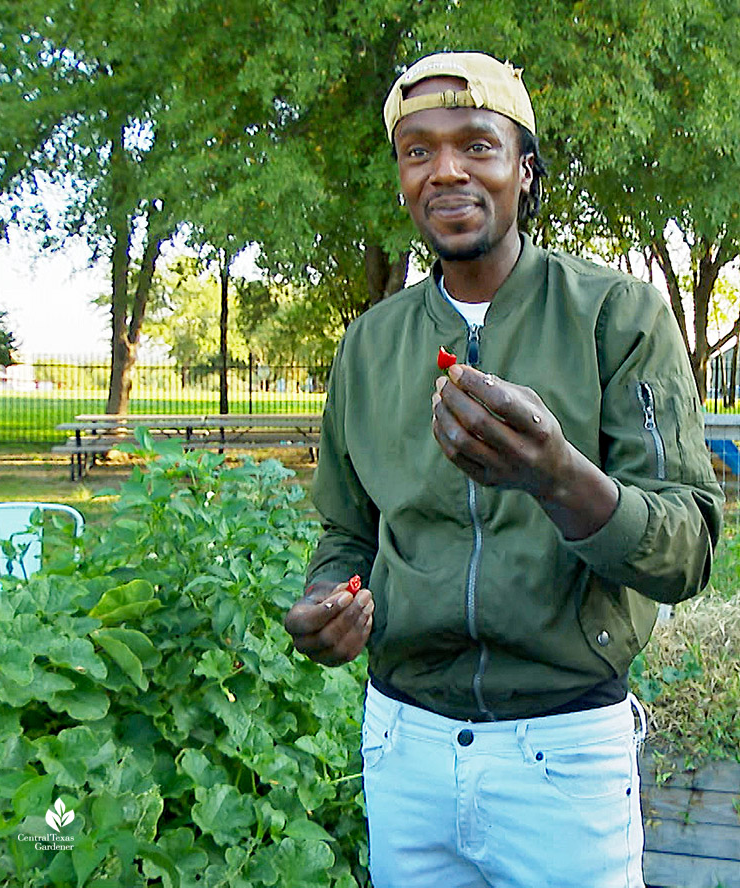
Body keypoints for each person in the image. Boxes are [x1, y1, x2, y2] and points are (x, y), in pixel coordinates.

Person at [284, 51, 724, 888]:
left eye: (476, 145)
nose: (445, 169)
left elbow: (688, 549)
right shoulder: (369, 346)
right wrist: (329, 602)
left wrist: (560, 476)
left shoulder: (617, 316)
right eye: (418, 151)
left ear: (524, 172)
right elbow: (348, 530)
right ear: (402, 179)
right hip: (404, 746)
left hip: (563, 755)